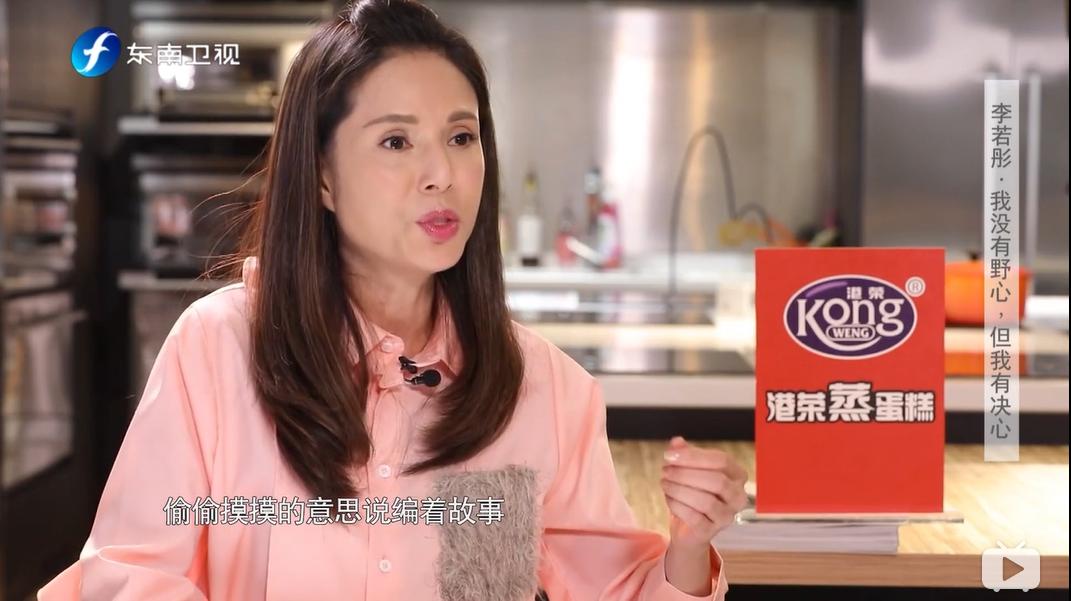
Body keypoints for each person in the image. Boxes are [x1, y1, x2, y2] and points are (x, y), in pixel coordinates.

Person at [38, 1, 746, 599]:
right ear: (322, 177)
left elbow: (614, 588)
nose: (441, 173)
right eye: (397, 141)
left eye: (461, 136)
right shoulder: (220, 346)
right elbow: (127, 575)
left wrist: (688, 545)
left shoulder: (545, 389)